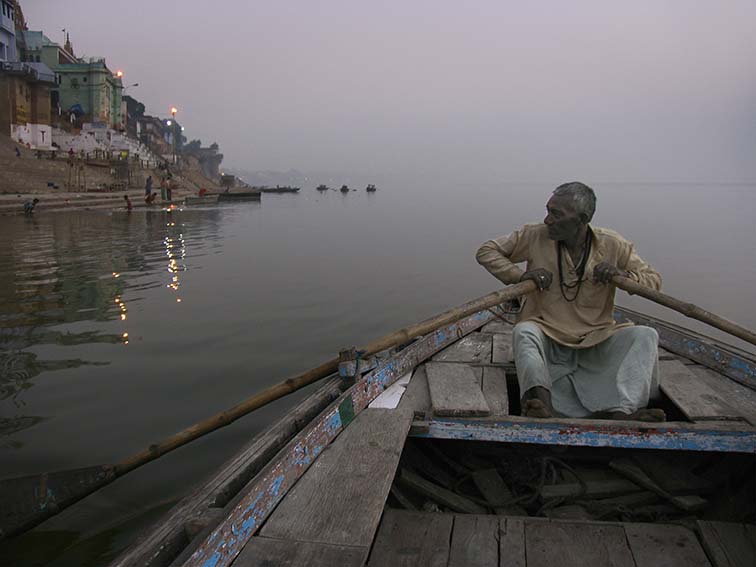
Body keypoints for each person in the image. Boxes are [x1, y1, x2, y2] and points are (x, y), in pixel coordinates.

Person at [476, 182, 665, 422]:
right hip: (548, 333)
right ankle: (542, 406)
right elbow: (487, 251)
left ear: (582, 219)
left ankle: (622, 412)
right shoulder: (534, 235)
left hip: (597, 337)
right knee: (524, 331)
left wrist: (622, 276)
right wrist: (520, 276)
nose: (548, 220)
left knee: (645, 335)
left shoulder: (612, 243)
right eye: (548, 211)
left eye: (556, 214)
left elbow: (653, 280)